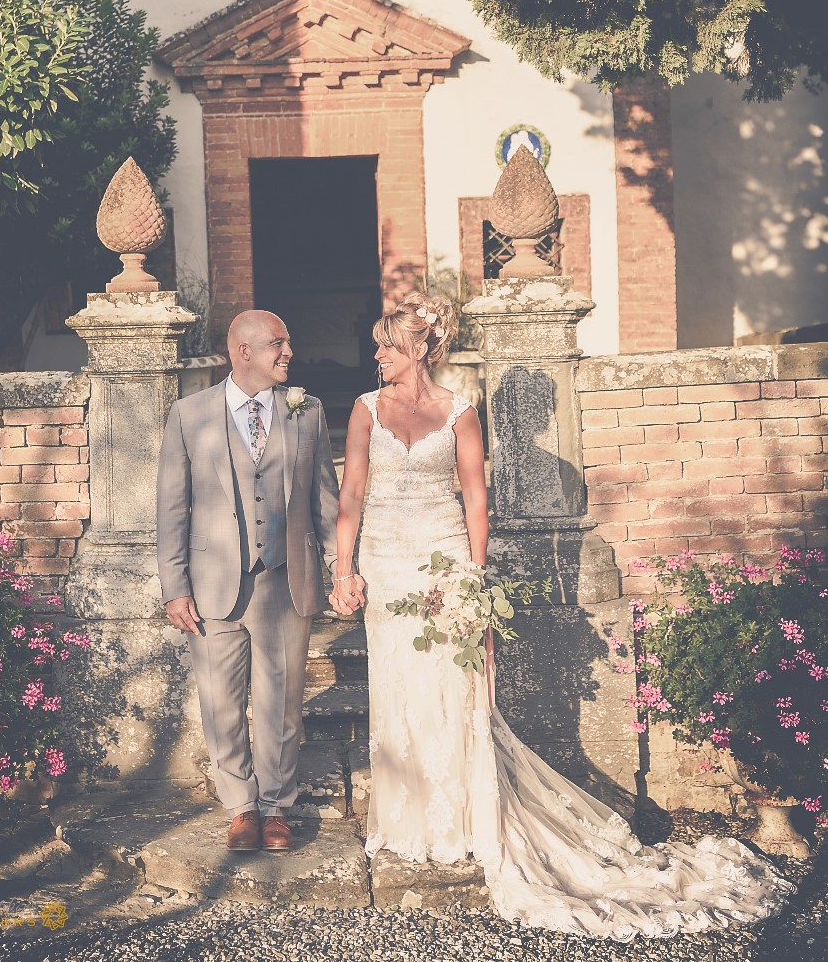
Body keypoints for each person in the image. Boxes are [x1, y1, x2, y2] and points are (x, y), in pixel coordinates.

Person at [330, 291, 793, 939]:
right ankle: (404, 817)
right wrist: (343, 567)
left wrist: (473, 575)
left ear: (416, 350)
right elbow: (351, 491)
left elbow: (475, 502)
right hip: (385, 562)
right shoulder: (363, 410)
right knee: (399, 686)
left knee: (449, 688)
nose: (375, 353)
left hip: (443, 562)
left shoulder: (462, 413)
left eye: (384, 344)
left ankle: (460, 819)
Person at [156, 309, 361, 853]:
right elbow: (172, 508)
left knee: (282, 700)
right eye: (278, 343)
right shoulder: (189, 413)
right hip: (211, 582)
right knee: (220, 702)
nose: (288, 351)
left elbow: (324, 498)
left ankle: (275, 808)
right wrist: (174, 587)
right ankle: (240, 806)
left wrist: (342, 568)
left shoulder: (306, 411)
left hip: (285, 577)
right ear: (242, 350)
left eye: (288, 342)